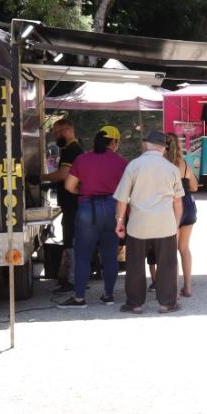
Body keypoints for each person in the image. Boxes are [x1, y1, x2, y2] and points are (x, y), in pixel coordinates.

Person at [113, 129, 184, 314]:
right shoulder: (172, 169)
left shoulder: (134, 166)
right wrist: (175, 225)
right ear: (164, 148)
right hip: (165, 224)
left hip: (138, 224)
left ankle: (134, 304)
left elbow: (122, 199)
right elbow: (178, 201)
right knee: (167, 264)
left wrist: (119, 221)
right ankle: (167, 303)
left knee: (135, 264)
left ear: (146, 145)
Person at [59, 125, 128, 307]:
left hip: (87, 208)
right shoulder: (121, 162)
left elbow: (68, 186)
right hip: (112, 209)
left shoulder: (82, 160)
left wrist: (83, 192)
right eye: (117, 142)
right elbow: (128, 191)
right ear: (112, 142)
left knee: (82, 254)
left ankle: (79, 298)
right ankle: (108, 295)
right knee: (109, 254)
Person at [43, 118, 83, 292]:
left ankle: (73, 280)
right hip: (71, 203)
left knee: (71, 240)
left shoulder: (71, 150)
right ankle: (73, 278)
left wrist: (40, 178)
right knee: (70, 239)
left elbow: (63, 175)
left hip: (73, 203)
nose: (57, 136)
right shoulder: (70, 149)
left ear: (68, 130)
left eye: (59, 132)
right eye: (55, 133)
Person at [165, 131, 199, 297]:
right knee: (184, 248)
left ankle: (174, 290)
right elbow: (194, 186)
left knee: (171, 249)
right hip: (189, 205)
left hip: (173, 207)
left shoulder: (163, 165)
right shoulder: (184, 163)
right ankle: (188, 287)